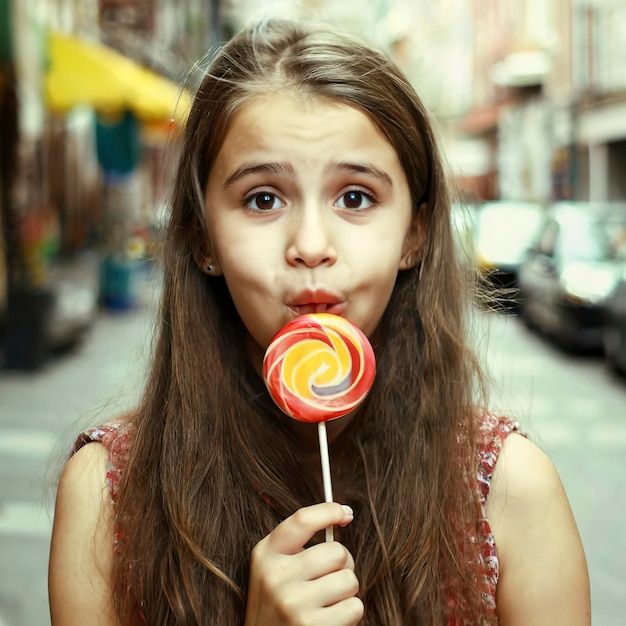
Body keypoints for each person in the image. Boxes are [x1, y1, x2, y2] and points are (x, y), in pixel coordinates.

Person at [48, 17, 591, 626]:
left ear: (413, 232)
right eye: (263, 198)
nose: (310, 244)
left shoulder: (510, 493)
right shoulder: (106, 497)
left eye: (355, 197)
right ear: (204, 237)